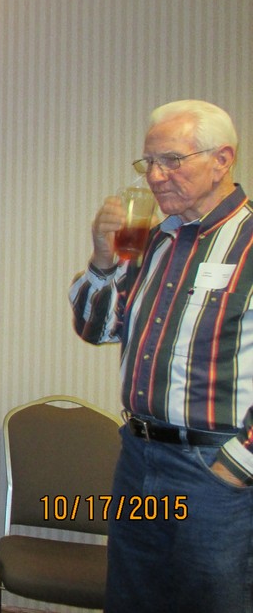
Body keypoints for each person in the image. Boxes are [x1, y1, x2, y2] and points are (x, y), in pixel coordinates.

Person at [69, 100, 253, 613]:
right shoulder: (156, 241)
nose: (154, 176)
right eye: (148, 162)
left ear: (222, 160)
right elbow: (94, 329)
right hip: (139, 459)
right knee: (132, 598)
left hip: (215, 471)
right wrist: (102, 259)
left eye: (171, 160)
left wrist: (239, 464)